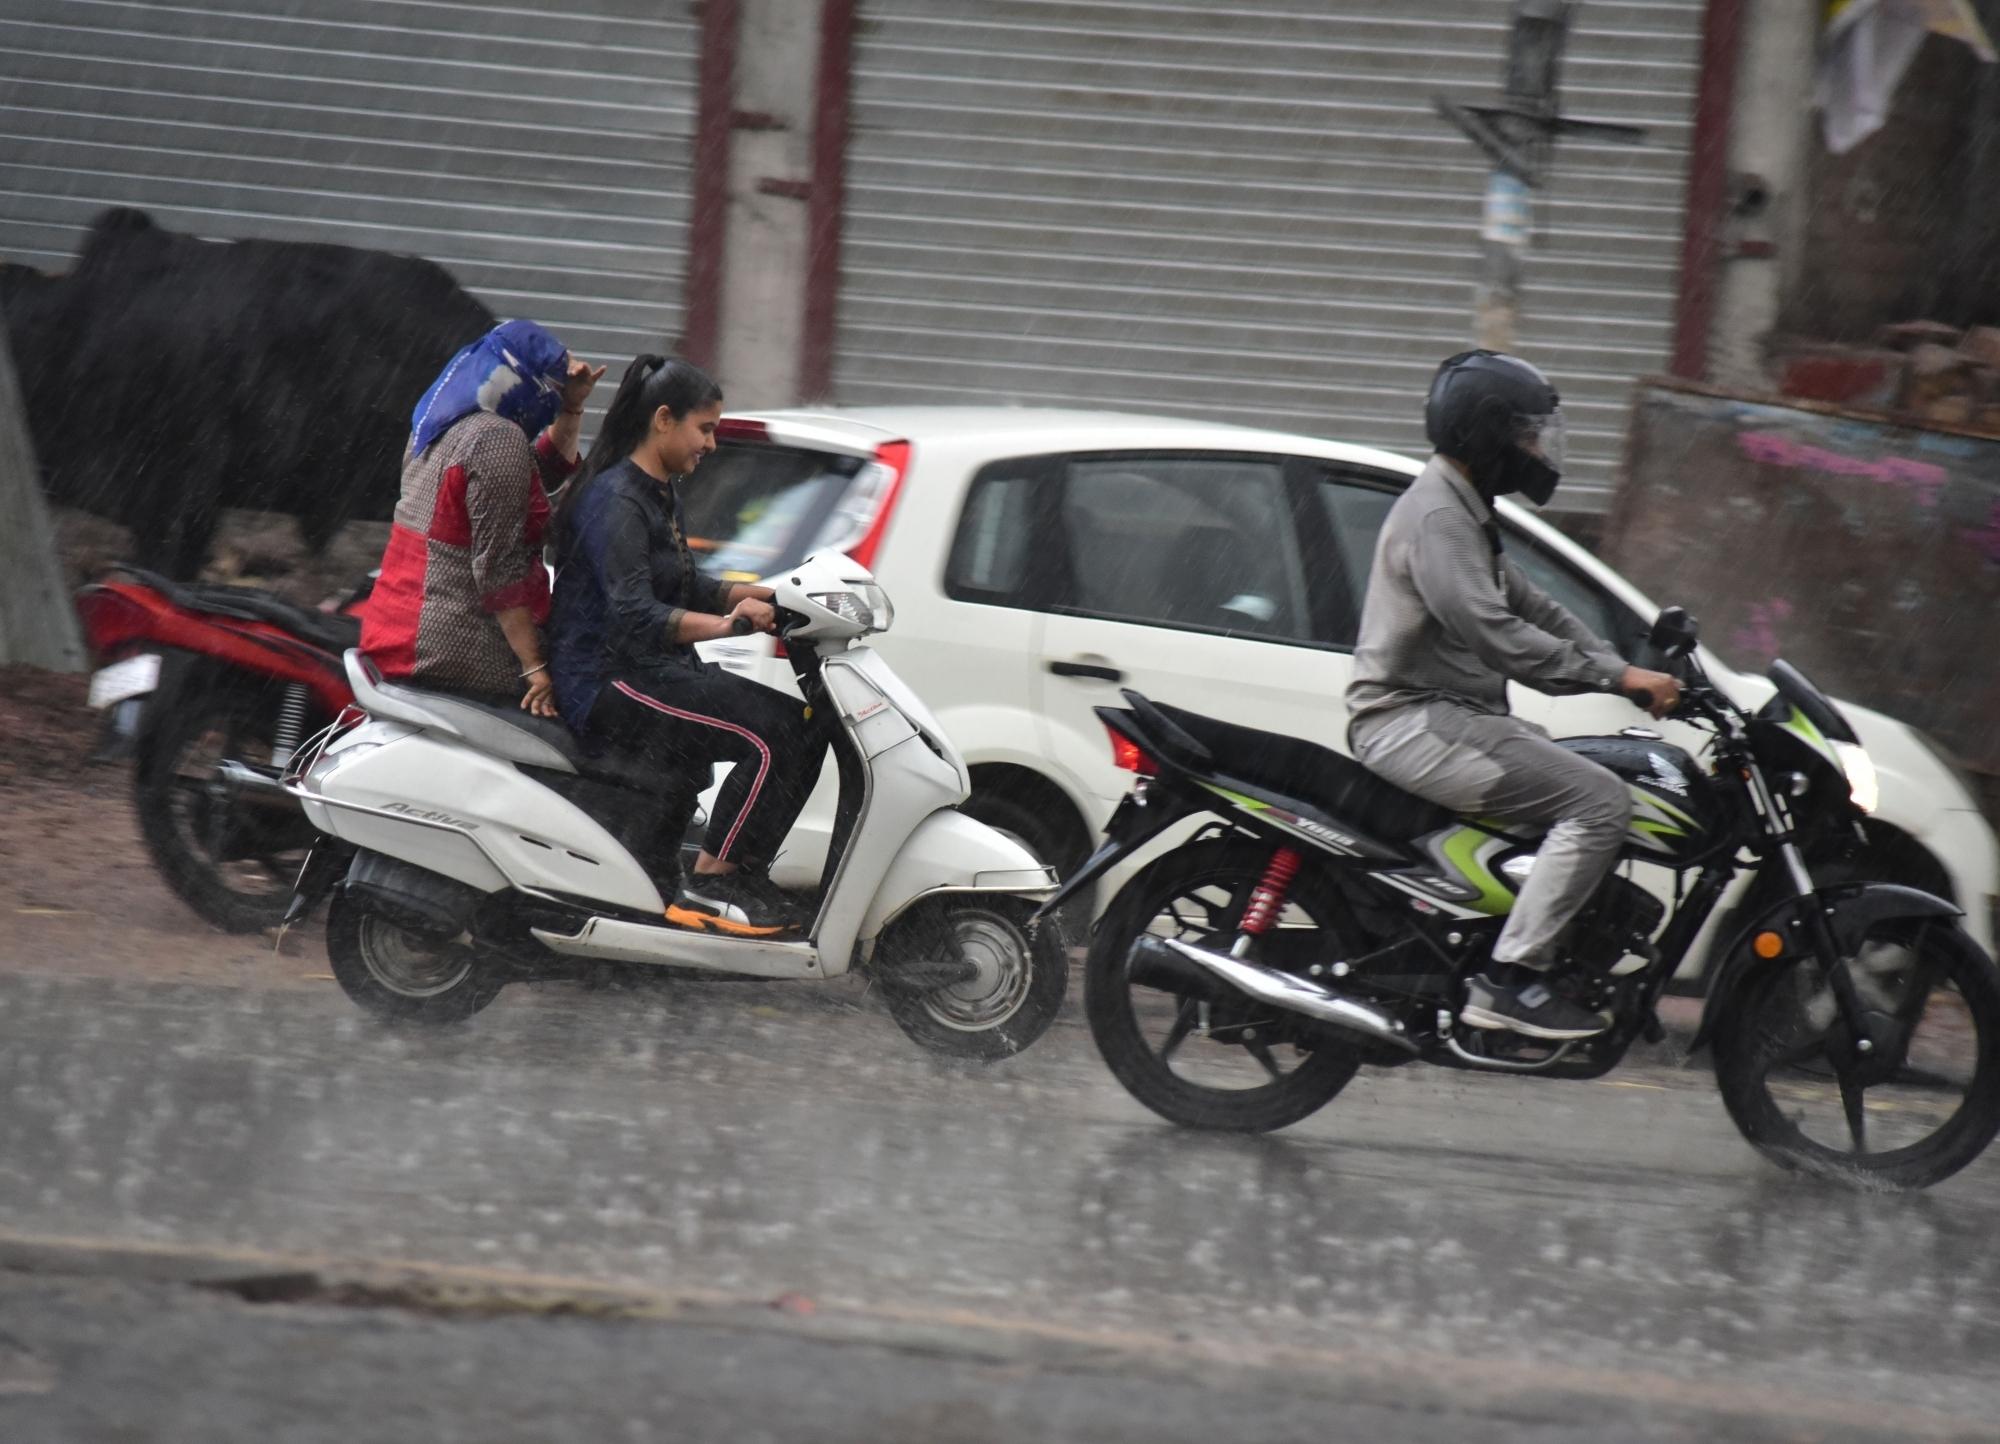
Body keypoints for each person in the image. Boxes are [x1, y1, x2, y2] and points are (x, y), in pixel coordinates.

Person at [1345, 350, 1682, 1041]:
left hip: (1446, 716)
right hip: (1411, 720)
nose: (1537, 449)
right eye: (1528, 434)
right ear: (1487, 433)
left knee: (1585, 773)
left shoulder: (1463, 512)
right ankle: (1511, 980)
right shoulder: (1440, 520)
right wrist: (1615, 679)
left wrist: (1624, 664)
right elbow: (1496, 633)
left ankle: (1503, 947)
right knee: (1597, 801)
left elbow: (1538, 609)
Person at [547, 355, 827, 936]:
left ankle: (733, 873)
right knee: (779, 732)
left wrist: (771, 596)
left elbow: (685, 583)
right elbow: (632, 610)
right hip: (609, 679)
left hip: (650, 666)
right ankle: (717, 880)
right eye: (707, 429)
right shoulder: (615, 500)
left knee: (807, 723)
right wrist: (732, 625)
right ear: (664, 420)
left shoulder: (658, 493)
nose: (713, 444)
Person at [360, 319, 605, 715]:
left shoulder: (439, 419)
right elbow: (499, 572)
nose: (552, 407)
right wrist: (534, 666)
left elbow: (534, 477)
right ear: (522, 381)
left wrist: (573, 407)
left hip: (398, 628)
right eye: (552, 394)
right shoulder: (497, 438)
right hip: (453, 644)